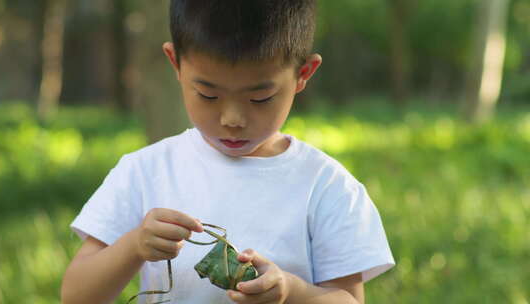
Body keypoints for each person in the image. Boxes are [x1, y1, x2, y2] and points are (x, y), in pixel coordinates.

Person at [61, 1, 395, 303]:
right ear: (175, 63)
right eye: (208, 95)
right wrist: (133, 246)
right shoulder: (144, 171)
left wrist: (291, 292)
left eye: (259, 98)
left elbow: (349, 300)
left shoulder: (327, 186)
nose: (232, 119)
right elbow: (76, 296)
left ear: (302, 74)